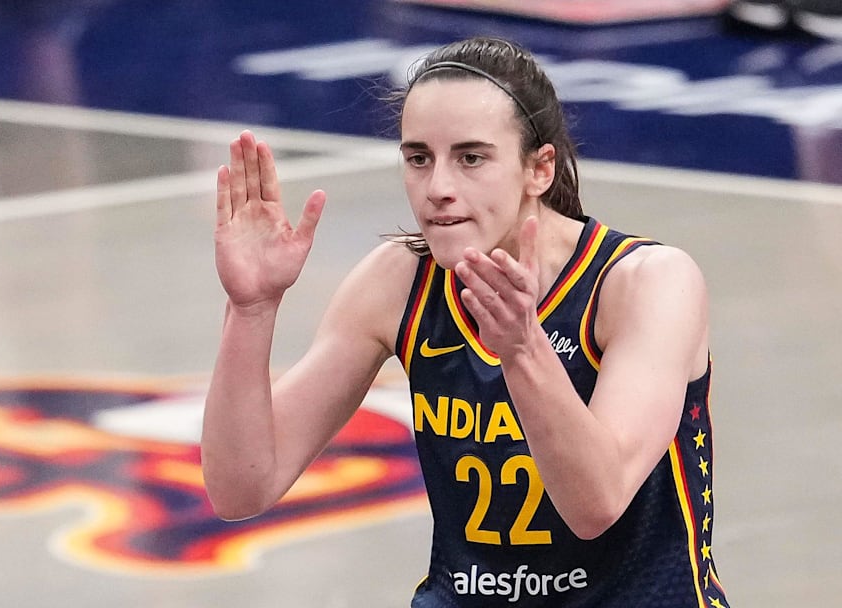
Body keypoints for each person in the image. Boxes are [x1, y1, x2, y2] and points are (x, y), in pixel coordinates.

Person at [201, 36, 729, 607]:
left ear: (540, 168)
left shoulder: (646, 282)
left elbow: (595, 504)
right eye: (418, 158)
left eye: (471, 158)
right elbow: (242, 487)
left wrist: (523, 350)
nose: (439, 189)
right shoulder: (398, 281)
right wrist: (252, 311)